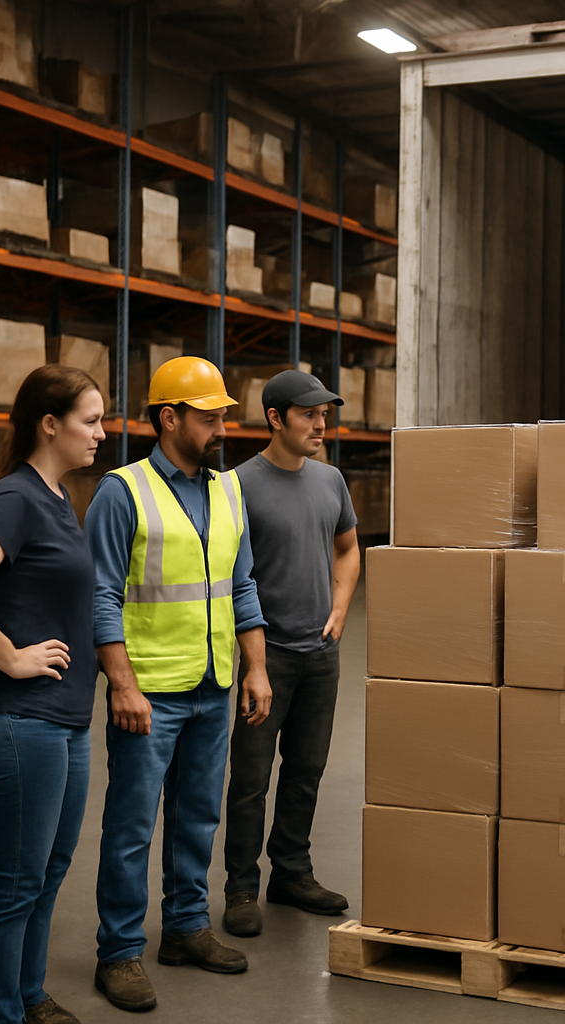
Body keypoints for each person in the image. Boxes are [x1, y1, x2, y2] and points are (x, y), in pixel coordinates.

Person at [84, 356, 271, 1013]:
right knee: (132, 827)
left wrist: (255, 667)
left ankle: (187, 929)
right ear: (170, 418)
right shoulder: (122, 491)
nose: (223, 425)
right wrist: (122, 685)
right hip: (150, 692)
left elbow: (242, 585)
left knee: (197, 817)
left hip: (212, 684)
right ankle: (120, 953)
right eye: (210, 415)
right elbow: (100, 596)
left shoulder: (228, 492)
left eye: (224, 414)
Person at [0, 365, 106, 1024]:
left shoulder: (56, 497)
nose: (101, 432)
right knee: (14, 883)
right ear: (50, 424)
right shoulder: (14, 497)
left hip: (63, 720)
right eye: (90, 420)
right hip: (20, 721)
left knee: (46, 872)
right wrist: (9, 656)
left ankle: (28, 998)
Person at [222, 369, 360, 936]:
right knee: (251, 777)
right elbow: (227, 574)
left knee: (307, 769)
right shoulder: (236, 485)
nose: (320, 425)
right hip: (268, 655)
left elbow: (349, 549)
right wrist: (251, 657)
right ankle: (240, 889)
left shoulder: (330, 481)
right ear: (275, 419)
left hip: (320, 654)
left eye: (324, 414)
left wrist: (341, 608)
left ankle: (292, 873)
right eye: (308, 415)